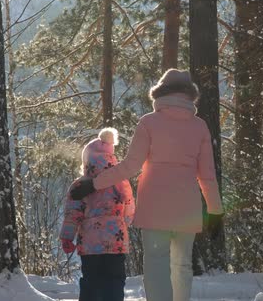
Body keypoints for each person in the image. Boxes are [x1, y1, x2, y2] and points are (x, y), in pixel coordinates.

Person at [70, 69, 224, 301]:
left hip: (154, 206)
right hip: (187, 206)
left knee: (156, 265)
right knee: (182, 265)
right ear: (189, 95)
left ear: (160, 93)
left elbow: (130, 166)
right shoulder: (199, 126)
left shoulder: (149, 122)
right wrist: (215, 212)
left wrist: (94, 184)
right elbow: (208, 176)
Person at [60, 128, 135, 301]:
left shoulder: (80, 185)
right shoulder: (120, 181)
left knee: (91, 282)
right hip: (116, 240)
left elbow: (72, 214)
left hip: (90, 244)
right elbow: (129, 206)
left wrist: (66, 237)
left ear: (86, 160)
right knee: (114, 281)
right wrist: (124, 223)